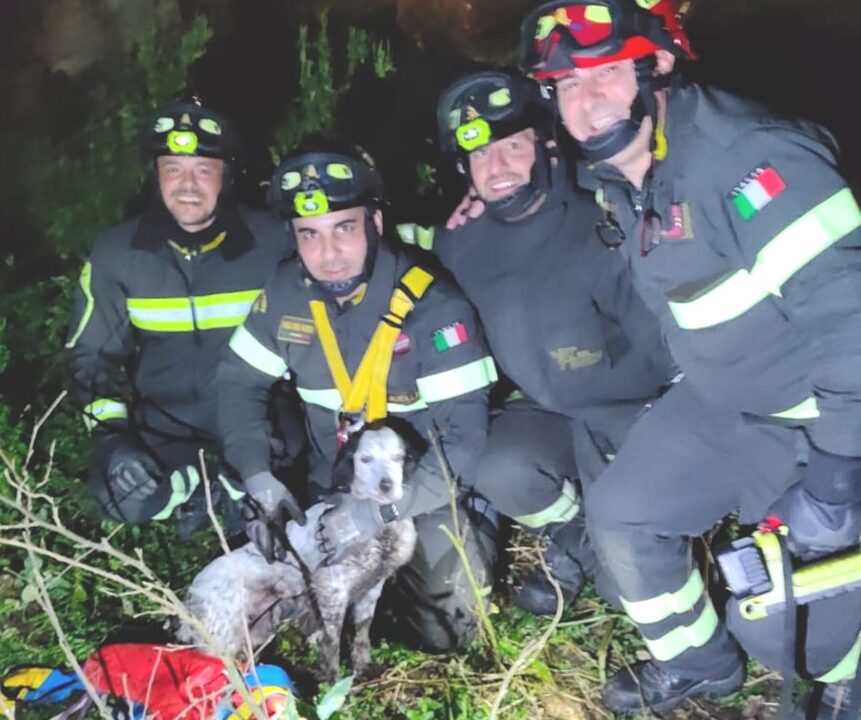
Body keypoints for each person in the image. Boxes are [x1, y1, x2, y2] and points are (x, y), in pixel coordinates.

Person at [520, 0, 861, 714]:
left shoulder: (749, 160)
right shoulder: (626, 171)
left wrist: (833, 476)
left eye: (605, 74)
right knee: (622, 513)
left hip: (816, 421)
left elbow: (851, 323)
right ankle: (703, 668)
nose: (585, 105)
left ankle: (845, 675)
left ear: (659, 65)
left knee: (784, 634)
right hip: (719, 401)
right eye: (565, 88)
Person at [399, 69, 674, 616]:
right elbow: (387, 250)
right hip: (550, 412)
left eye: (512, 147)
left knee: (630, 591)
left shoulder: (607, 210)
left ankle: (619, 533)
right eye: (479, 156)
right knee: (496, 467)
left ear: (548, 145)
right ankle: (575, 531)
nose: (496, 169)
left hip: (641, 414)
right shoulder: (459, 237)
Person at [216, 141, 499, 652]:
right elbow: (237, 384)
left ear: (375, 223)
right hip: (333, 484)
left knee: (444, 628)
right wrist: (259, 480)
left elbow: (464, 448)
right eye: (309, 234)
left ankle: (475, 532)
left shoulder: (433, 307)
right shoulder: (285, 293)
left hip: (422, 491)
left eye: (344, 228)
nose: (328, 253)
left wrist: (375, 517)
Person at [65, 99, 303, 541]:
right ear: (155, 175)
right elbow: (91, 357)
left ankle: (235, 484)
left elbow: (348, 248)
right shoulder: (118, 253)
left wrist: (467, 222)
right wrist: (112, 439)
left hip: (258, 419)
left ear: (226, 175)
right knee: (117, 495)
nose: (187, 185)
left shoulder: (273, 239)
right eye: (173, 168)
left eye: (202, 169)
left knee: (295, 457)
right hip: (164, 425)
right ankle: (199, 488)